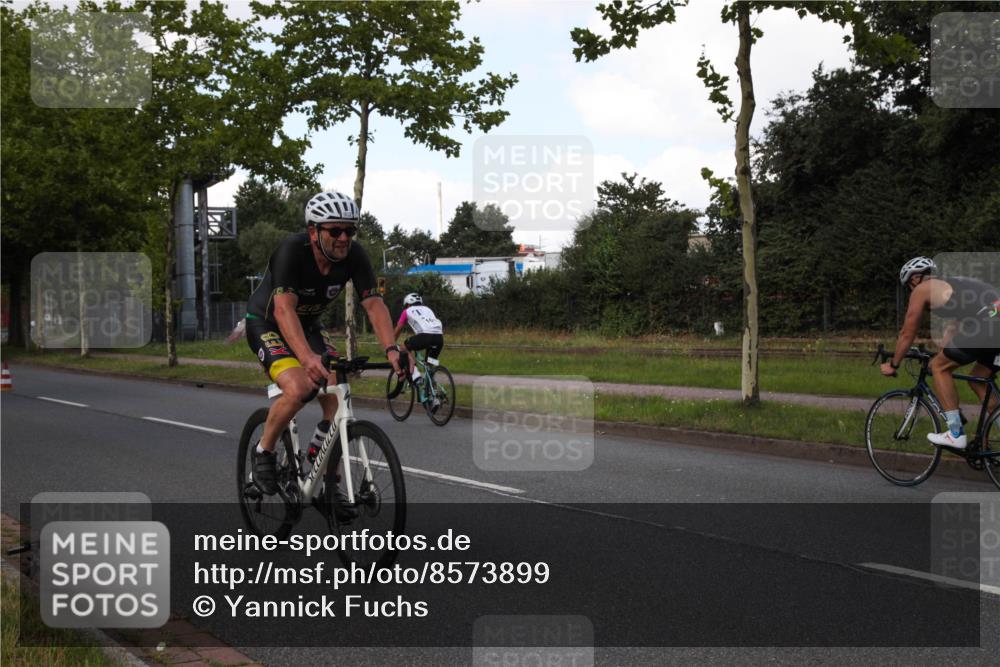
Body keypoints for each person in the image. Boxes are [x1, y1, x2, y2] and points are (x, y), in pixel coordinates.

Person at [245, 190, 403, 498]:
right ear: (313, 231)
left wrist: (392, 349)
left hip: (308, 325)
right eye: (335, 230)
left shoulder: (355, 255)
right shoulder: (292, 251)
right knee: (300, 387)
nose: (344, 238)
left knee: (336, 391)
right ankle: (264, 450)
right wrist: (306, 358)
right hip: (268, 323)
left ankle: (329, 481)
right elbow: (283, 310)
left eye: (350, 231)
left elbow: (373, 304)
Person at [880, 256, 1000, 449]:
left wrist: (894, 364)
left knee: (939, 368)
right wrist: (941, 353)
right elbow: (954, 328)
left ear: (915, 278)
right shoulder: (954, 286)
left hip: (988, 323)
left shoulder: (922, 289)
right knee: (978, 379)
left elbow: (907, 333)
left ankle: (955, 433)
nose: (911, 290)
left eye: (909, 286)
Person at [393, 293, 444, 409]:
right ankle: (434, 396)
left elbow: (398, 329)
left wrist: (391, 344)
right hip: (439, 338)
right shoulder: (428, 309)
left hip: (424, 337)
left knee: (403, 347)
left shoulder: (406, 311)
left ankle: (416, 376)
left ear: (408, 304)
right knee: (430, 365)